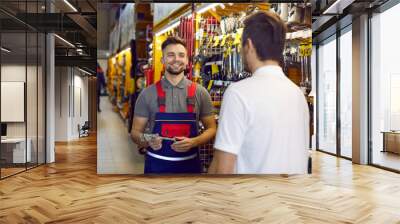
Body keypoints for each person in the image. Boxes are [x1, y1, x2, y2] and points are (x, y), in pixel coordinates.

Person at [208, 11, 309, 174]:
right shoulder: (297, 95)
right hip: (292, 197)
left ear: (249, 45)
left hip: (251, 197)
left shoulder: (238, 94)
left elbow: (223, 171)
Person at [131, 36, 217, 174]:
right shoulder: (147, 94)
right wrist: (147, 140)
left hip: (190, 169)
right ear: (162, 60)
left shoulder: (201, 93)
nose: (176, 59)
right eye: (170, 55)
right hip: (156, 168)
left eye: (181, 55)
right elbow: (135, 133)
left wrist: (194, 142)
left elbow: (211, 128)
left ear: (187, 60)